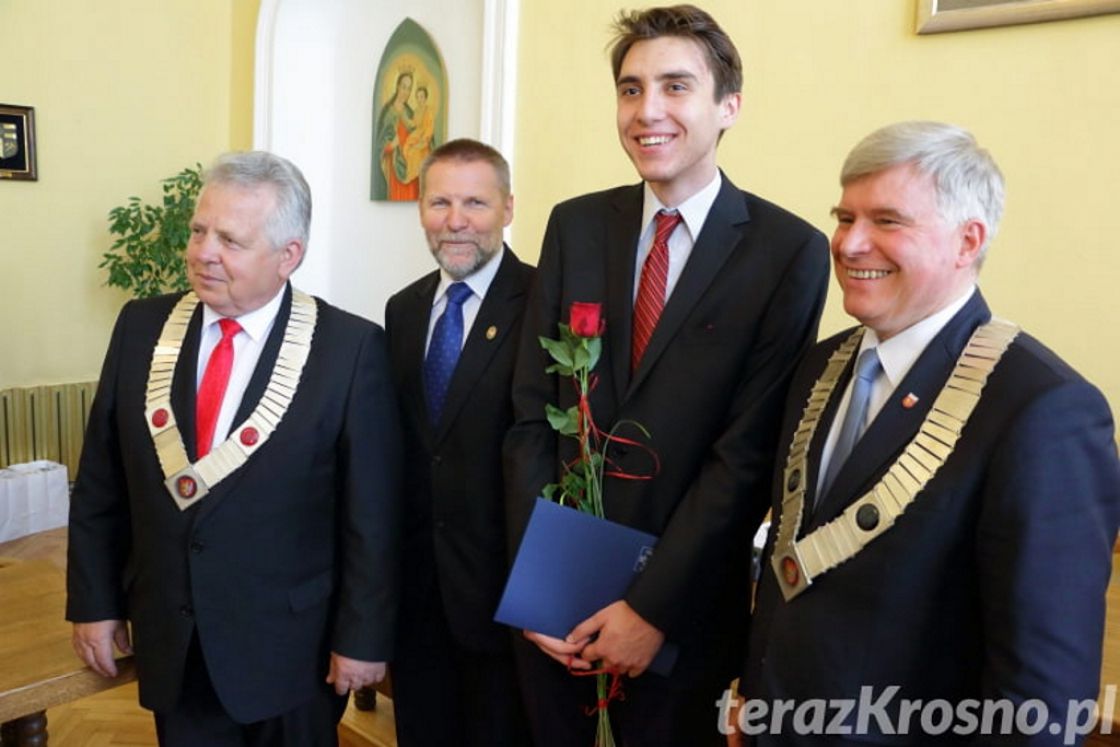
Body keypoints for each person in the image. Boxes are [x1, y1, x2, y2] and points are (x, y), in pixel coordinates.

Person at [503, 5, 830, 745]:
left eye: (675, 87)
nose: (647, 111)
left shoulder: (788, 252)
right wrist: (539, 592)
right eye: (629, 88)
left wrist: (650, 610)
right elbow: (530, 414)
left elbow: (745, 457)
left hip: (679, 621)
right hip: (554, 611)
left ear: (728, 107)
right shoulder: (575, 226)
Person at [738, 121, 1120, 745]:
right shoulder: (819, 366)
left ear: (967, 240)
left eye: (887, 222)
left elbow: (1042, 692)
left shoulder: (1042, 408)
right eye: (845, 216)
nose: (851, 243)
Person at [66, 151, 403, 746]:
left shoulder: (350, 350)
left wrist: (363, 637)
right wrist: (93, 603)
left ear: (288, 255)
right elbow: (101, 480)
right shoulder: (141, 328)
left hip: (293, 657)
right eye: (199, 230)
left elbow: (370, 517)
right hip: (175, 643)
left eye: (230, 239)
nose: (202, 252)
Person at [385, 138, 533, 746]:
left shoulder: (545, 303)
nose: (455, 221)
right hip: (417, 600)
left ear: (508, 208)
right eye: (439, 202)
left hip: (506, 602)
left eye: (475, 202)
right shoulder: (403, 310)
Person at [376, 70, 419, 201]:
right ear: (397, 86)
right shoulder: (388, 112)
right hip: (394, 166)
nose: (406, 92)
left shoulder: (410, 113)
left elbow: (417, 134)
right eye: (404, 87)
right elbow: (380, 144)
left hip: (410, 167)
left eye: (409, 89)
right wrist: (391, 145)